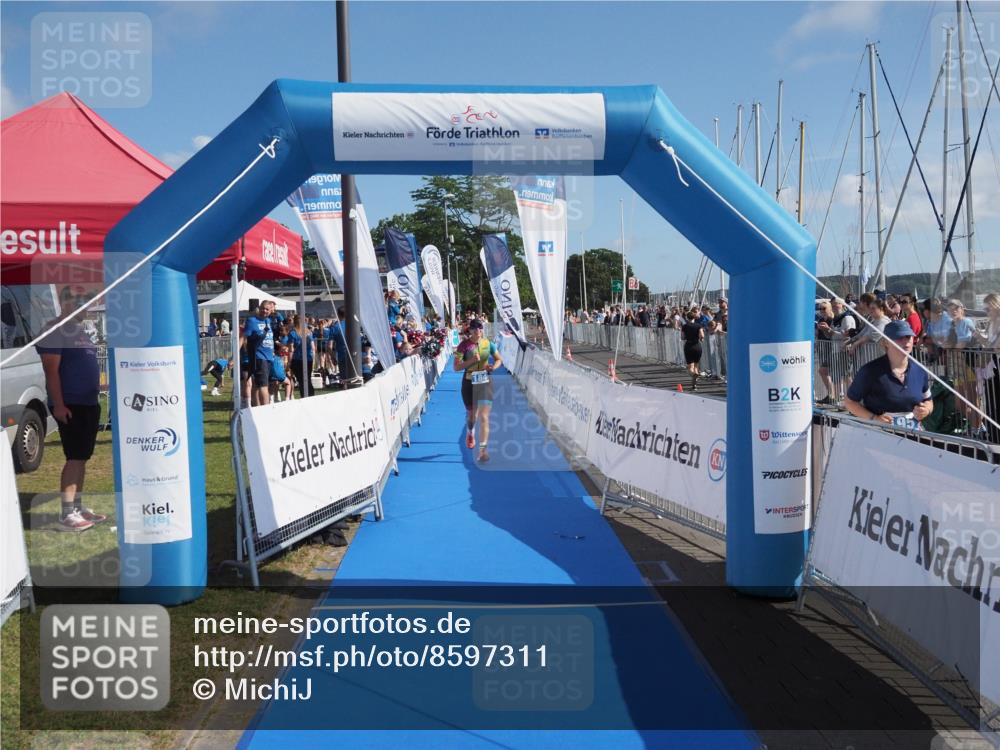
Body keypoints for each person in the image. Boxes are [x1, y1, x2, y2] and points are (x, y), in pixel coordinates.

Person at [36, 314, 107, 532]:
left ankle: (77, 507)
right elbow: (51, 370)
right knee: (75, 457)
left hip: (88, 402)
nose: (87, 308)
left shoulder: (80, 331)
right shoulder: (55, 329)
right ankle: (67, 513)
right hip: (70, 403)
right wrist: (58, 404)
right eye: (81, 303)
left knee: (82, 458)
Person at [844, 320, 933, 430]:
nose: (906, 341)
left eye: (908, 337)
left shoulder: (919, 370)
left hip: (913, 435)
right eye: (899, 338)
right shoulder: (869, 371)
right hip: (879, 435)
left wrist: (926, 410)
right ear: (886, 342)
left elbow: (928, 400)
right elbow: (850, 402)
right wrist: (874, 418)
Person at [453, 319, 502, 462]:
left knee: (485, 417)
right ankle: (470, 431)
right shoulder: (463, 346)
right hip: (469, 382)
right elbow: (456, 367)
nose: (477, 331)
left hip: (484, 381)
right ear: (470, 331)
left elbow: (499, 359)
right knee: (472, 416)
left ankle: (483, 451)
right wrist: (472, 361)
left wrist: (494, 367)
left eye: (480, 328)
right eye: (474, 329)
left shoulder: (488, 344)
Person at [240, 300, 275, 406]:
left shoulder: (268, 321)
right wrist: (234, 357)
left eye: (267, 309)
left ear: (270, 311)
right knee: (263, 386)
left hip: (268, 357)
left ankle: (257, 408)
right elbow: (243, 338)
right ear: (259, 308)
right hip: (259, 357)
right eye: (263, 308)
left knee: (257, 384)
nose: (264, 311)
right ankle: (266, 411)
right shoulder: (252, 320)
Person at [681, 310, 704, 391]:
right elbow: (702, 335)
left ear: (687, 318)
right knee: (696, 365)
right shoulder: (698, 325)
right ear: (694, 317)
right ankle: (694, 385)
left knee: (690, 367)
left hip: (689, 346)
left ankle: (693, 374)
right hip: (697, 346)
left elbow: (682, 337)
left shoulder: (684, 326)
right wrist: (701, 338)